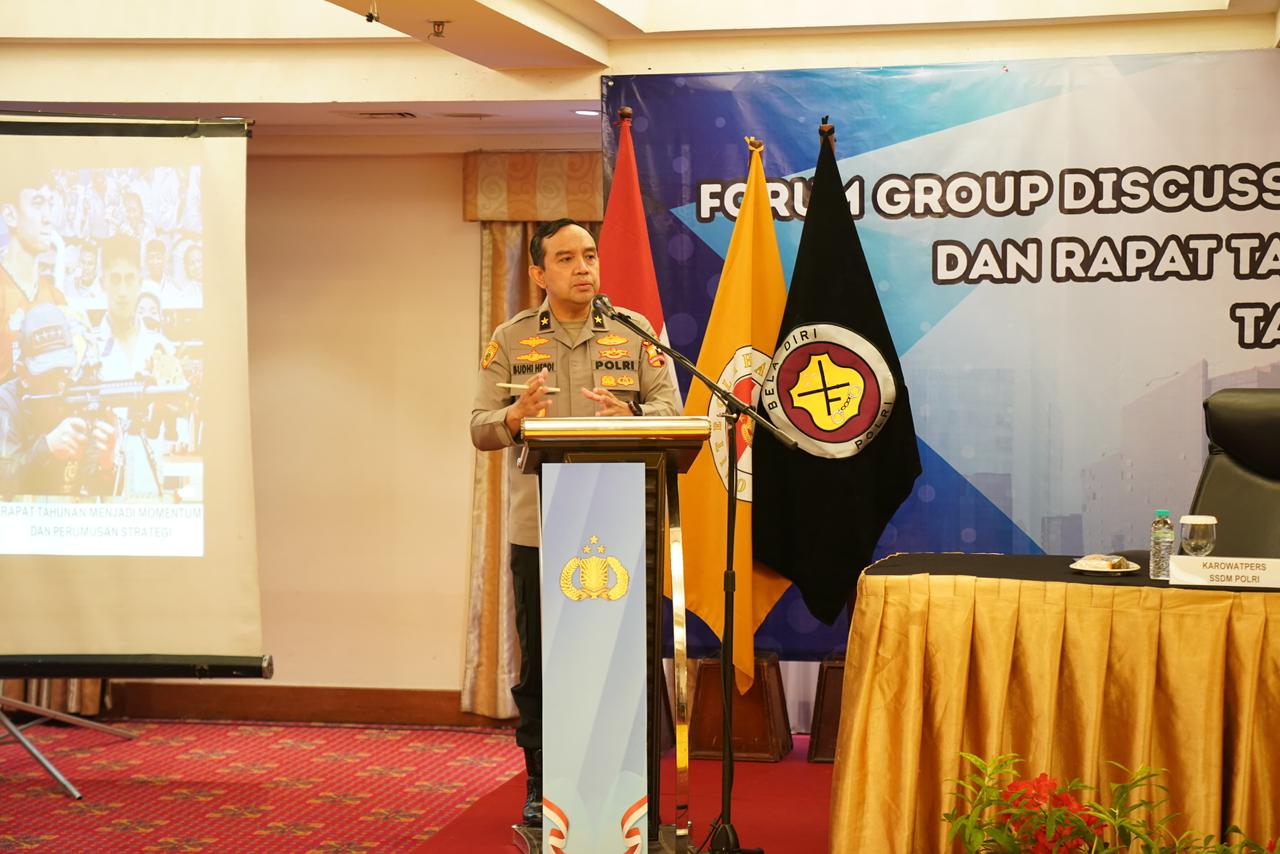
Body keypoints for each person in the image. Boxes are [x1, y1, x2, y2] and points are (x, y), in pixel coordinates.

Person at [469, 218, 680, 828]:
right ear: (539, 273)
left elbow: (671, 408)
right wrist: (515, 415)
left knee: (624, 662)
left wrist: (631, 416)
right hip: (540, 530)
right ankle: (543, 782)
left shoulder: (634, 331)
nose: (583, 267)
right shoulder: (511, 339)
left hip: (621, 525)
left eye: (589, 255)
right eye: (565, 258)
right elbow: (479, 426)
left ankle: (629, 784)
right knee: (542, 666)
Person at [0, 303, 117, 496]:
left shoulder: (77, 399)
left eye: (63, 371)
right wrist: (47, 448)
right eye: (47, 375)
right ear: (23, 373)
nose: (59, 384)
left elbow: (95, 491)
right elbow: (3, 481)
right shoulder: (6, 404)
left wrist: (106, 463)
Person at [1, 172, 70, 380]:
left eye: (51, 204)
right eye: (38, 204)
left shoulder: (56, 298)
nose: (48, 217)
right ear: (10, 215)